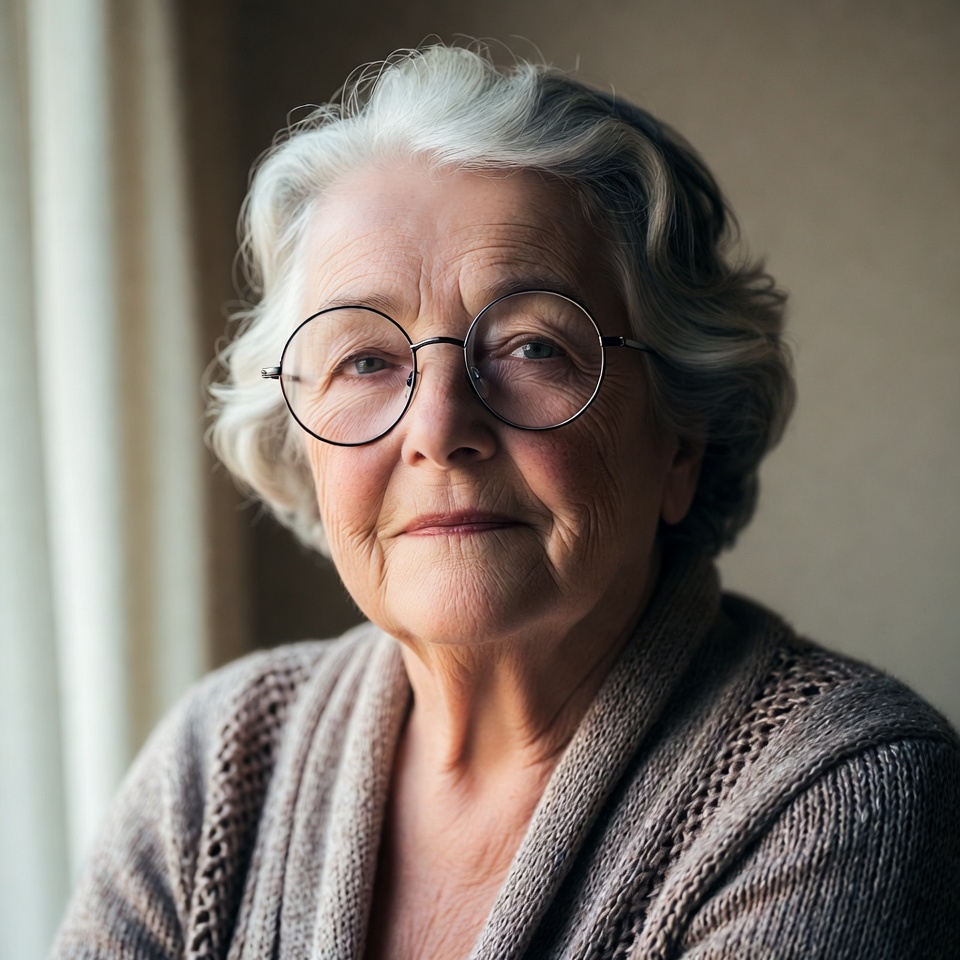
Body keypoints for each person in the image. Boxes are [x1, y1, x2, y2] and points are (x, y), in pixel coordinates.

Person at [53, 44, 959, 959]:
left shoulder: (839, 792)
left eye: (532, 347)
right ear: (300, 443)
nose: (440, 427)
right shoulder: (219, 765)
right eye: (365, 360)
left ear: (682, 437)